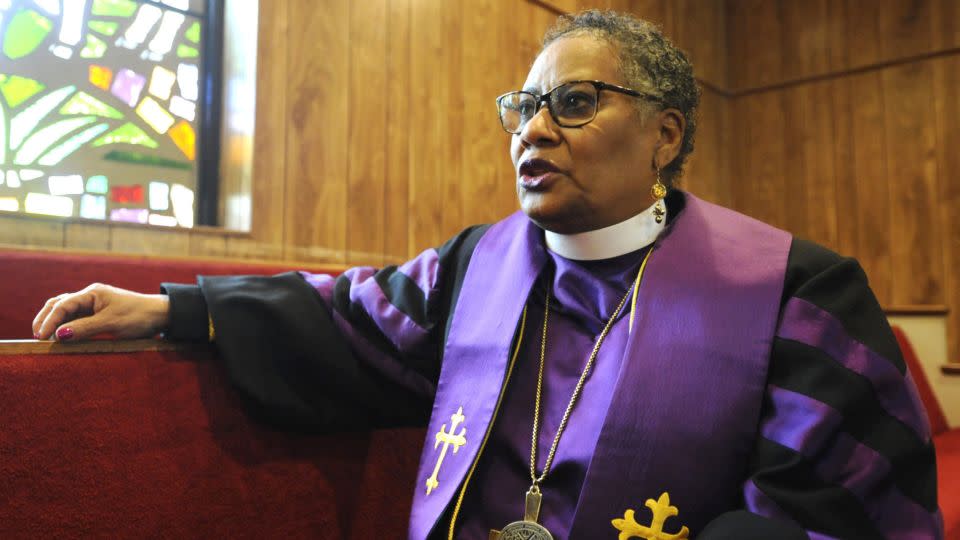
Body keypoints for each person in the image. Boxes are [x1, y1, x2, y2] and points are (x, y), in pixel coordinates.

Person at [32, 10, 942, 540]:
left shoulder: (797, 293)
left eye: (575, 104)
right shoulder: (480, 265)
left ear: (666, 136)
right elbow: (352, 317)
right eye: (524, 108)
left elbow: (829, 512)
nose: (532, 132)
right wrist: (174, 311)